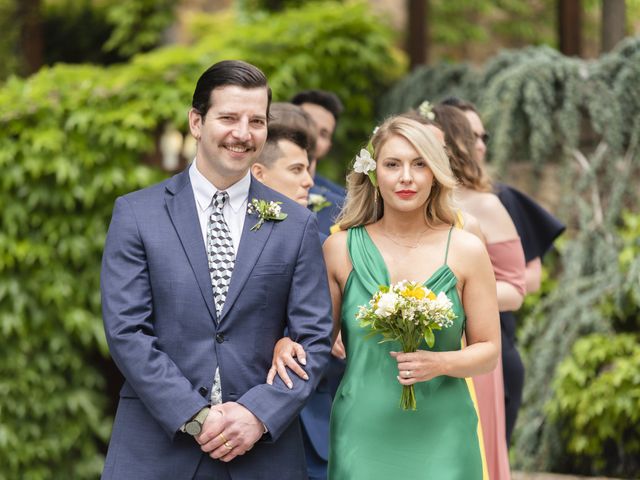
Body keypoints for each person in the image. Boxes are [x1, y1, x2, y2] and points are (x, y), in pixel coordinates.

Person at [100, 60, 332, 480]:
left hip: (263, 455)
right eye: (229, 117)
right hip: (157, 449)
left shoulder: (296, 224)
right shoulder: (137, 213)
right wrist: (194, 415)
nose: (243, 133)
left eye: (256, 121)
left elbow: (312, 340)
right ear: (196, 122)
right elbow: (127, 331)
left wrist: (258, 414)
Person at [274, 116, 501, 478]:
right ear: (374, 173)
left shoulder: (466, 250)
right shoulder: (339, 248)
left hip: (444, 431)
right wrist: (287, 343)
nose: (406, 177)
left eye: (419, 164)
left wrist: (440, 364)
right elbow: (315, 341)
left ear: (435, 173)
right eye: (393, 164)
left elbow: (488, 350)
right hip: (362, 430)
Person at [442, 97, 565, 444]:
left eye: (484, 136)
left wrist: (453, 299)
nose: (479, 144)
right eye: (471, 135)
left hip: (492, 342)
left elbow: (529, 278)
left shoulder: (500, 201)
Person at [252, 102, 332, 480]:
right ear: (259, 173)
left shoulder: (319, 234)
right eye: (297, 170)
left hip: (315, 420)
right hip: (243, 412)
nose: (309, 181)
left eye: (309, 168)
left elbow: (323, 326)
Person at [291, 89, 345, 236]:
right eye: (308, 124)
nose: (313, 137)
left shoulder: (342, 206)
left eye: (323, 134)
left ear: (328, 145)